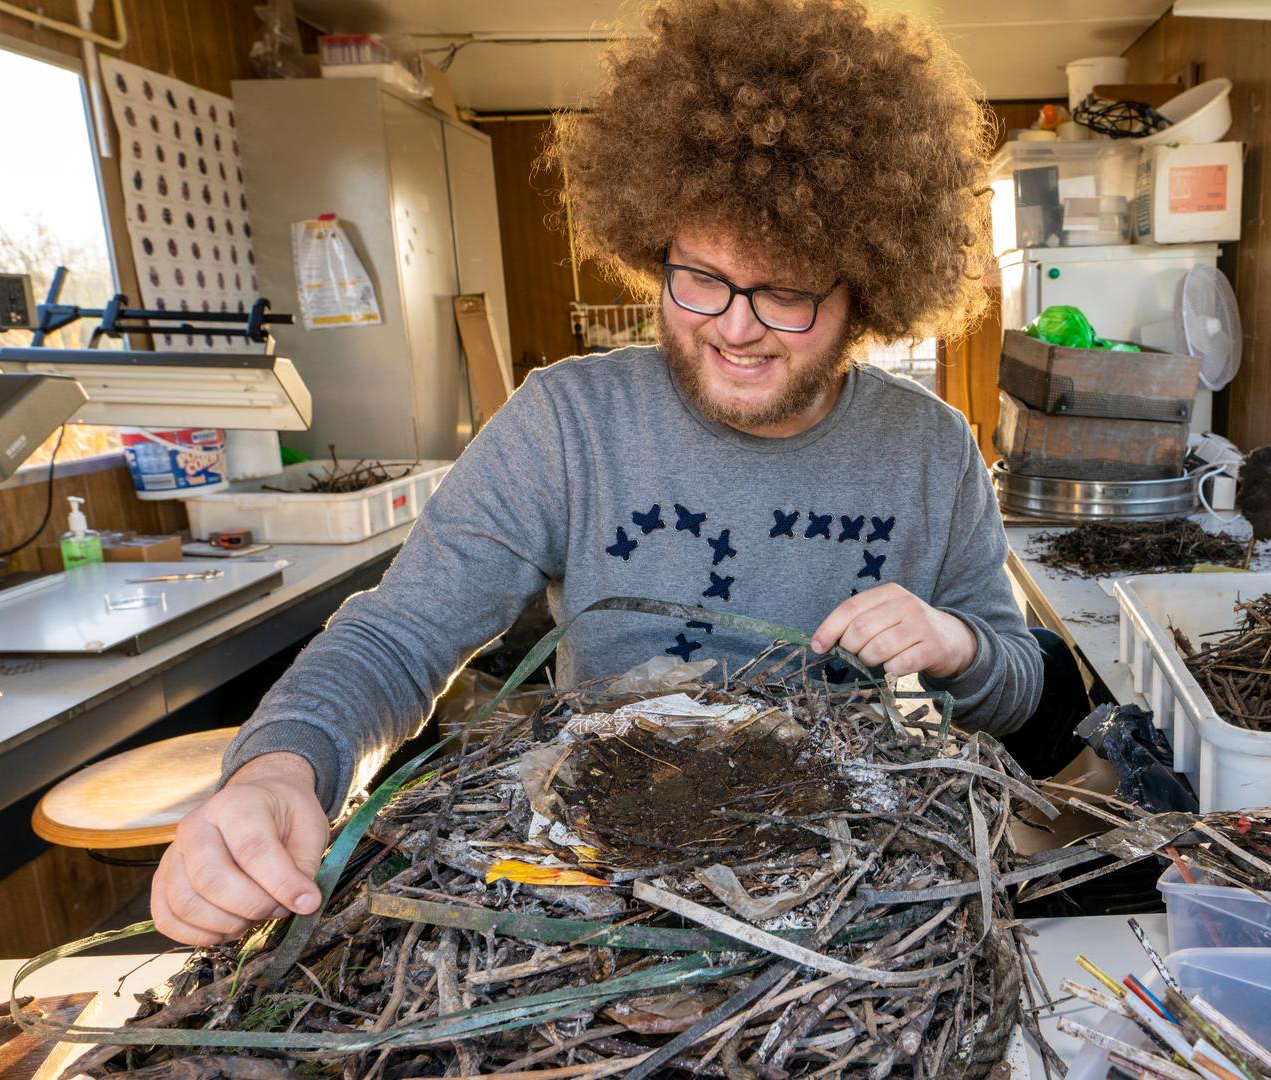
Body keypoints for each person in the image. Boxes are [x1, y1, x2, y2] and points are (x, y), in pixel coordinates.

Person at [149, 0, 1077, 946]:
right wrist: (280, 769)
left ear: (867, 288)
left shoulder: (931, 450)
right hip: (606, 888)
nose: (734, 325)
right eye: (700, 277)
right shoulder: (567, 422)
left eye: (785, 292)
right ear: (653, 248)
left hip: (844, 896)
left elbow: (1015, 692)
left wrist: (954, 643)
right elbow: (399, 635)